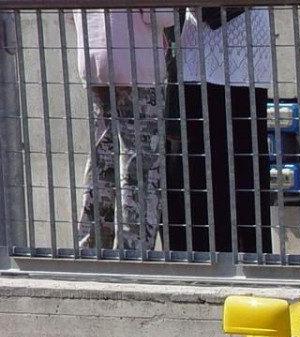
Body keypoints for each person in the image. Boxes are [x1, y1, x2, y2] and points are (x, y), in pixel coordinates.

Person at [166, 6, 273, 255]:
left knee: (245, 162)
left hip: (241, 48)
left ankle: (249, 257)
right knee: (201, 164)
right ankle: (210, 255)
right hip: (201, 49)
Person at [73, 8, 173, 252]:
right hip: (136, 62)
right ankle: (133, 252)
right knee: (140, 164)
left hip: (93, 55)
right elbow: (162, 13)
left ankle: (92, 248)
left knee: (103, 159)